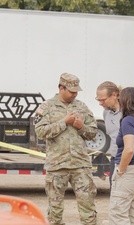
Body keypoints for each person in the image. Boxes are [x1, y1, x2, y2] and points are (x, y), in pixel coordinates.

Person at [34, 73, 98, 225]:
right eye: (72, 91)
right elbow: (40, 132)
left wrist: (81, 127)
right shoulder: (47, 107)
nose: (75, 94)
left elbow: (93, 133)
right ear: (61, 88)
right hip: (57, 166)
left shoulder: (81, 107)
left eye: (77, 91)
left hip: (80, 165)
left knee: (88, 209)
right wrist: (64, 122)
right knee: (54, 212)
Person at [109, 87, 134, 225]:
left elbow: (129, 149)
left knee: (118, 213)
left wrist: (120, 169)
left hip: (129, 169)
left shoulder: (128, 121)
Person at [96, 81, 122, 187]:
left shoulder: (131, 111)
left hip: (132, 160)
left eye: (103, 100)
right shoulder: (106, 113)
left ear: (114, 95)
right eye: (98, 100)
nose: (100, 103)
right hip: (115, 159)